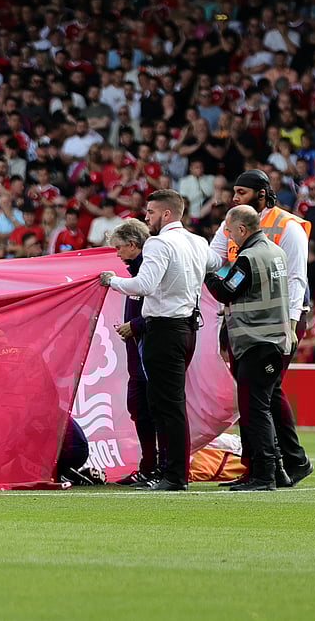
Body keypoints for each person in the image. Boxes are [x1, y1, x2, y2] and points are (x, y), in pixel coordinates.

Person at [99, 190, 215, 491]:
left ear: (166, 214)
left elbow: (144, 284)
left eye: (150, 212)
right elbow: (215, 264)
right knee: (170, 403)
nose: (145, 217)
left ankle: (174, 475)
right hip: (188, 327)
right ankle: (172, 472)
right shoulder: (197, 242)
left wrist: (112, 281)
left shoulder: (160, 243)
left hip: (164, 329)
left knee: (167, 406)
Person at [208, 168, 313, 487]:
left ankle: (271, 466)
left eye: (241, 193)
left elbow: (297, 279)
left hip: (275, 323)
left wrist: (292, 324)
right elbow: (212, 257)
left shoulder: (288, 227)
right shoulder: (235, 222)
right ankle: (280, 464)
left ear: (262, 194)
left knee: (259, 395)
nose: (234, 197)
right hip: (246, 322)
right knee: (263, 393)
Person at [107, 219, 158, 486]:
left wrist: (136, 325)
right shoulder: (135, 274)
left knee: (156, 411)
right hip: (136, 359)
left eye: (119, 248)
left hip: (151, 354)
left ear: (132, 244)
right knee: (138, 408)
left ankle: (158, 467)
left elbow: (165, 307)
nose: (117, 254)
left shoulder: (150, 271)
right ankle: (149, 467)